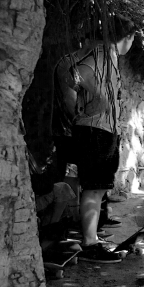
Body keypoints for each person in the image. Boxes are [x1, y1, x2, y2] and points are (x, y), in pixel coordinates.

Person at [53, 16, 137, 262]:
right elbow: (73, 76)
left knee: (98, 187)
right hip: (94, 131)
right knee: (93, 188)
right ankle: (89, 242)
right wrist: (98, 95)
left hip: (102, 130)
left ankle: (92, 237)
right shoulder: (102, 54)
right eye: (132, 39)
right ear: (128, 37)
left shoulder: (107, 57)